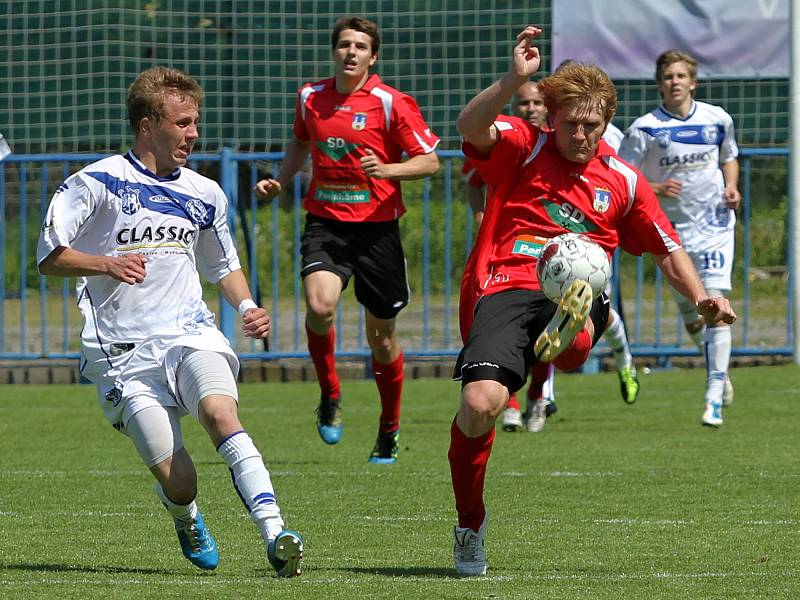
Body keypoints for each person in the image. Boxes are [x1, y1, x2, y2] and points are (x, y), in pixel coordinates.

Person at [449, 26, 736, 576]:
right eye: (572, 123)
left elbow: (667, 249)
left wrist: (702, 297)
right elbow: (468, 126)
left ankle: (577, 329)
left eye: (593, 126)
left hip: (578, 292)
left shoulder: (623, 180)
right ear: (552, 117)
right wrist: (515, 79)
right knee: (481, 405)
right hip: (508, 284)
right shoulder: (522, 144)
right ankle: (469, 524)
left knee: (580, 325)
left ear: (608, 125)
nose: (581, 135)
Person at [36, 67, 303, 577]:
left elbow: (222, 266)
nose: (193, 134)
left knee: (221, 414)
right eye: (182, 123)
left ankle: (277, 533)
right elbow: (49, 256)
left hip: (189, 333)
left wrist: (247, 308)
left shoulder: (205, 193)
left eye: (195, 122)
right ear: (146, 126)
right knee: (180, 479)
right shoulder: (95, 182)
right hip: (121, 355)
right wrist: (106, 262)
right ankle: (185, 515)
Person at [254, 16, 440, 464]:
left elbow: (429, 161)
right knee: (319, 307)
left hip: (378, 229)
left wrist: (389, 170)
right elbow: (300, 143)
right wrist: (280, 180)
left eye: (360, 46)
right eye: (343, 45)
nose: (350, 52)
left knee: (382, 340)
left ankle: (389, 428)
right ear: (334, 52)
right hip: (327, 224)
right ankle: (330, 393)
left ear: (373, 57)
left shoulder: (391, 103)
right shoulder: (310, 97)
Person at [618, 49, 740, 427]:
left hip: (716, 226)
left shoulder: (717, 119)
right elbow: (624, 176)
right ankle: (717, 370)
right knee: (693, 316)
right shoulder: (644, 129)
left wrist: (732, 187)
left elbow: (728, 156)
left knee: (717, 305)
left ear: (693, 81)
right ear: (659, 84)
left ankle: (713, 396)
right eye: (668, 76)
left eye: (681, 75)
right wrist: (655, 186)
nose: (675, 82)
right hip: (671, 234)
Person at [462, 81, 557, 434]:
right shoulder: (506, 139)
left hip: (552, 251)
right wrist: (479, 216)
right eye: (523, 102)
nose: (530, 108)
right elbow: (473, 179)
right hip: (505, 250)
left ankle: (535, 394)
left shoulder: (561, 144)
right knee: (504, 332)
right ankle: (513, 403)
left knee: (549, 331)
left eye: (537, 102)